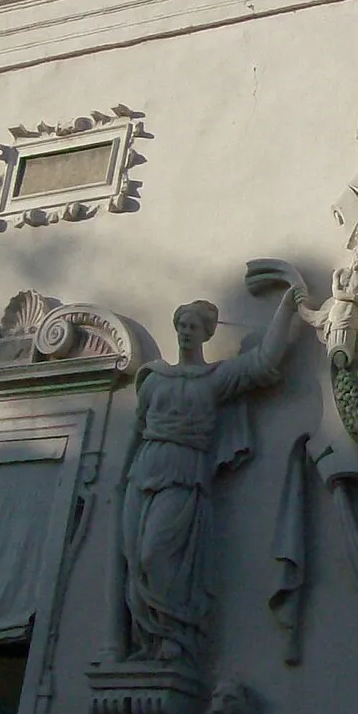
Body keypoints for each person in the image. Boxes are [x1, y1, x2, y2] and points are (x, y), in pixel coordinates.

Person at [118, 286, 303, 668]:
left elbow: (265, 363)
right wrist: (120, 480)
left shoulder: (215, 379)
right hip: (145, 470)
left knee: (156, 554)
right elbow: (136, 434)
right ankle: (148, 643)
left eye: (192, 326)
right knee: (136, 560)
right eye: (181, 325)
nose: (185, 331)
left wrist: (286, 309)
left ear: (207, 333)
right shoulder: (154, 379)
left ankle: (175, 636)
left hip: (185, 470)